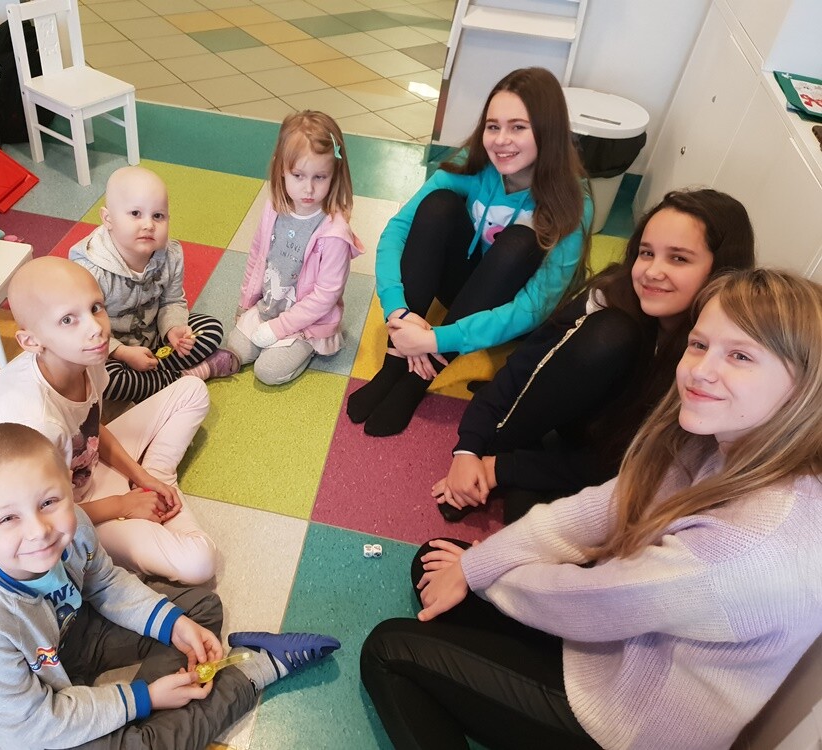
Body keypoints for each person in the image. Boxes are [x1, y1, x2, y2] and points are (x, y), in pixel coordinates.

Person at [361, 268, 822, 750]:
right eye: (699, 344)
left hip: (626, 725)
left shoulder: (753, 546)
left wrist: (479, 570)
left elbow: (600, 602)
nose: (701, 370)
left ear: (803, 384)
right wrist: (478, 566)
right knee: (434, 563)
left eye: (741, 356)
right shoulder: (719, 441)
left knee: (389, 651)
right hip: (610, 650)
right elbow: (604, 507)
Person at [0, 423, 340, 750]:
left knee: (198, 612)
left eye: (49, 502)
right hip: (29, 724)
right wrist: (143, 697)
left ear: (68, 487)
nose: (40, 530)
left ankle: (156, 720)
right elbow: (33, 724)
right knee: (144, 733)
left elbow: (104, 582)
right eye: (7, 519)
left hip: (72, 636)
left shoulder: (74, 526)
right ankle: (251, 673)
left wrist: (174, 625)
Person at [434, 189, 755, 524]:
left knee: (531, 525)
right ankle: (505, 454)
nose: (652, 272)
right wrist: (471, 450)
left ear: (720, 269)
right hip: (567, 425)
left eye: (678, 259)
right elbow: (527, 364)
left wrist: (501, 469)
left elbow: (638, 464)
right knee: (610, 333)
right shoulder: (613, 295)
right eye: (646, 253)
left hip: (615, 465)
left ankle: (518, 467)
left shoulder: (712, 364)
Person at [347, 67, 592, 436]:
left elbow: (534, 306)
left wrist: (436, 340)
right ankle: (395, 362)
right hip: (464, 289)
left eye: (518, 127)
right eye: (493, 126)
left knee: (520, 242)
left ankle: (418, 379)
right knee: (438, 206)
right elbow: (397, 230)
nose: (501, 140)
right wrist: (397, 310)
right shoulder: (474, 164)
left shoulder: (573, 200)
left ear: (548, 131)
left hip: (511, 310)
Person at [0, 256, 216, 585]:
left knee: (192, 391)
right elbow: (43, 520)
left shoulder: (86, 355)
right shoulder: (36, 420)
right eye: (68, 319)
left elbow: (90, 428)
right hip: (63, 517)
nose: (96, 328)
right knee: (199, 563)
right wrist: (123, 505)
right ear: (31, 341)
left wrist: (144, 477)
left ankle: (159, 474)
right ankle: (142, 501)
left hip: (81, 470)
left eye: (95, 308)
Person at [70, 166, 239, 403]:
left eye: (158, 216)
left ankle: (152, 382)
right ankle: (189, 376)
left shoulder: (170, 255)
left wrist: (174, 329)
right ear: (108, 219)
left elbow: (172, 300)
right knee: (101, 379)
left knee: (210, 329)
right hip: (111, 349)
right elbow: (87, 328)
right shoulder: (90, 270)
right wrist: (123, 353)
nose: (149, 225)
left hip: (155, 337)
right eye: (135, 213)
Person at [225, 111, 363, 385]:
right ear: (281, 169)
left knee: (268, 372)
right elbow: (257, 257)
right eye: (298, 175)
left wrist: (279, 328)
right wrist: (246, 303)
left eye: (320, 177)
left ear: (334, 174)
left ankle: (308, 349)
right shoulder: (274, 208)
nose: (308, 189)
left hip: (308, 323)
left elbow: (325, 296)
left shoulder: (334, 232)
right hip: (270, 306)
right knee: (235, 349)